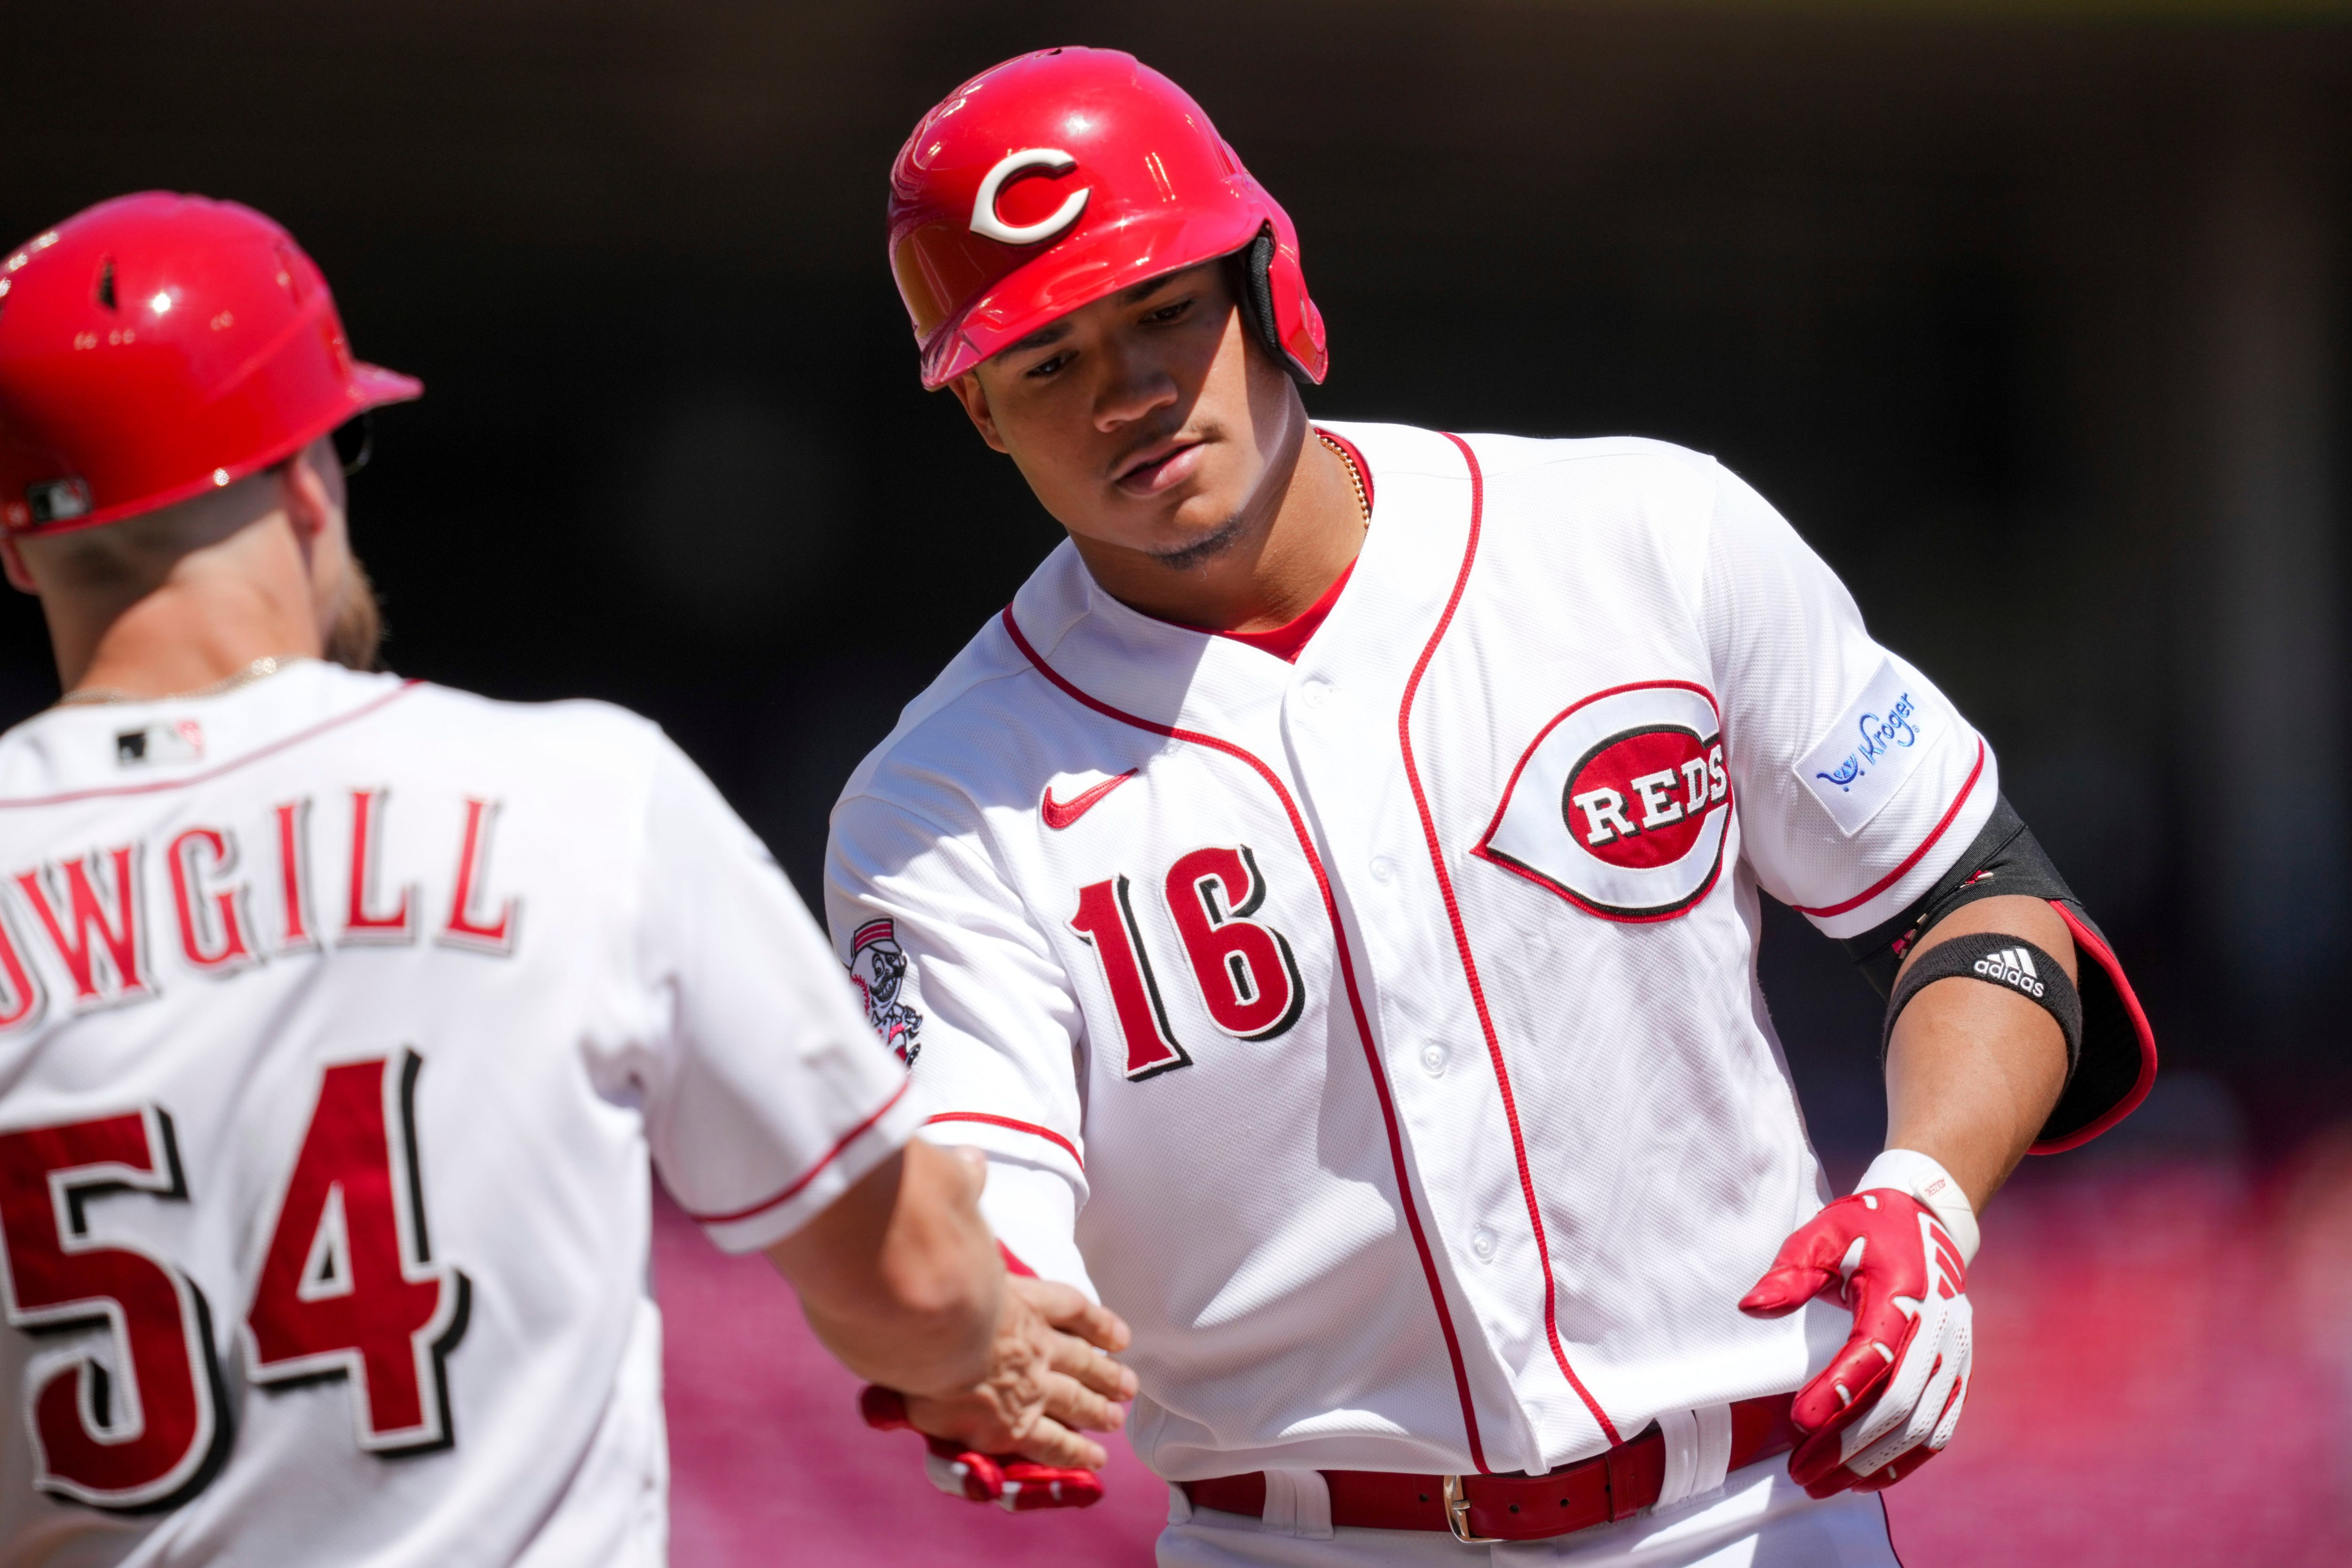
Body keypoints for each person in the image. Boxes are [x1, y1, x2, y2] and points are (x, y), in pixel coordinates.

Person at [833, 48, 2157, 1566]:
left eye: (1163, 312)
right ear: (985, 417)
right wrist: (971, 1332)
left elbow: (1980, 905)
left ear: (1272, 286)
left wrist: (1928, 1192)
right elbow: (970, 1192)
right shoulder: (940, 801)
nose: (1129, 392)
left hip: (1752, 1515)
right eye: (1049, 361)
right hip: (1305, 1544)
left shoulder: (1646, 537)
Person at [0, 191, 1133, 1565]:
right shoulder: (579, 792)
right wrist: (986, 1344)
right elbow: (909, 1277)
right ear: (308, 478)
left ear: (19, 545)